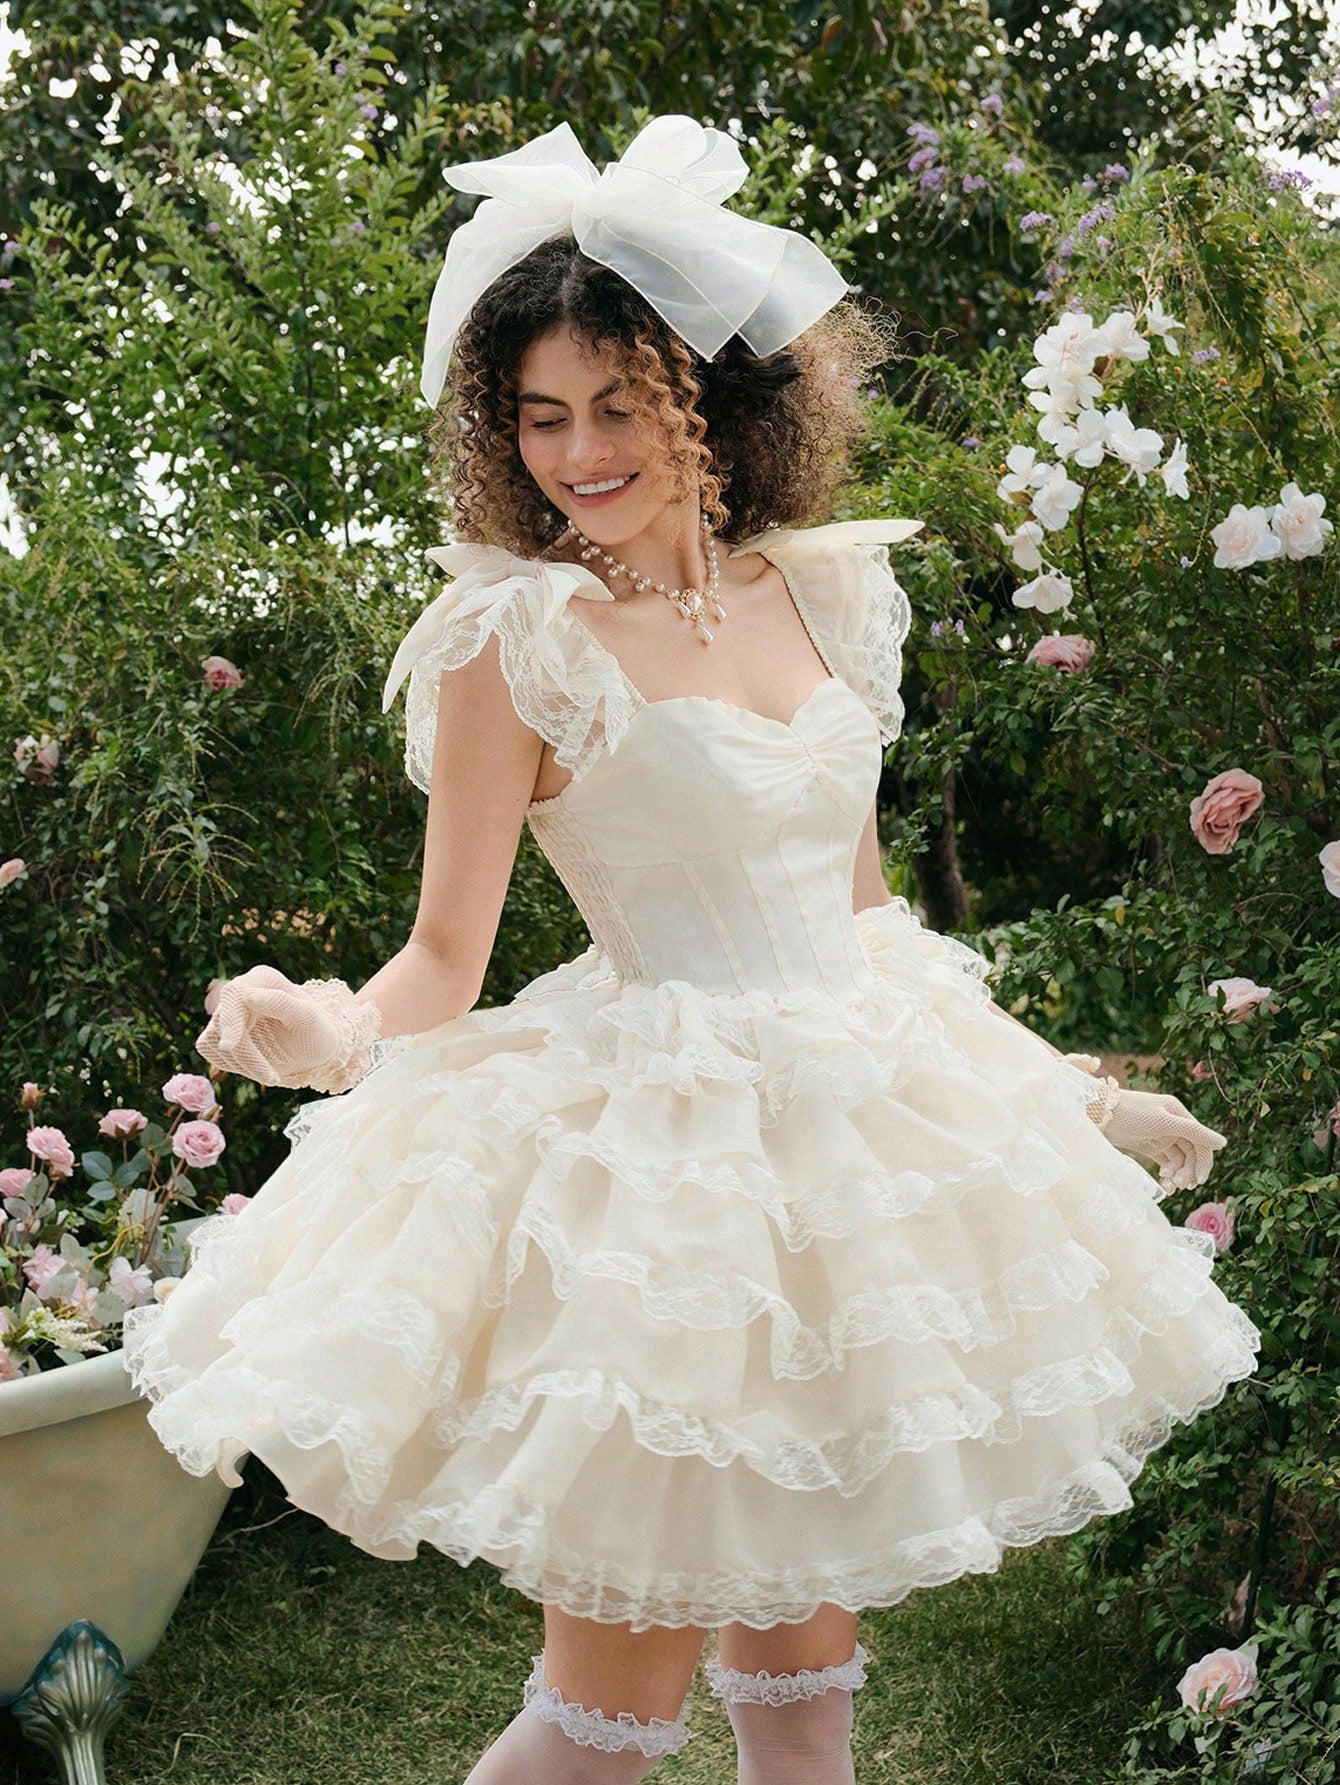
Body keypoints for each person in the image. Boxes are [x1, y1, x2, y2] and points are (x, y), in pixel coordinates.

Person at [121, 116, 1263, 1783]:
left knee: (805, 1700)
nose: (581, 452)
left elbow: (871, 930)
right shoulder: (513, 641)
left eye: (619, 404)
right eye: (543, 415)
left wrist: (1085, 1099)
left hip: (843, 1192)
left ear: (712, 396)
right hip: (662, 1208)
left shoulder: (826, 596)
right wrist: (331, 1029)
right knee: (606, 1725)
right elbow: (442, 956)